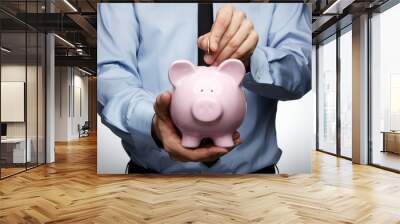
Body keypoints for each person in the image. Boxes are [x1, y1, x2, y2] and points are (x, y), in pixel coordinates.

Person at [97, 3, 311, 174]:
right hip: (152, 182)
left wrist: (252, 61)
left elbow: (302, 71)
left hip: (254, 183)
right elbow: (113, 76)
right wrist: (153, 123)